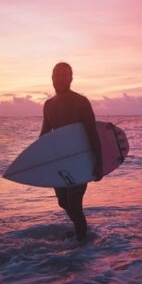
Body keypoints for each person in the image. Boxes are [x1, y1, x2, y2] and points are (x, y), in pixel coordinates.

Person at [40, 62, 103, 241]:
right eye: (57, 75)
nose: (60, 78)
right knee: (63, 202)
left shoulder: (80, 102)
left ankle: (83, 246)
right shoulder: (48, 105)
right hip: (58, 161)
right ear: (52, 78)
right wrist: (36, 160)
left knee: (75, 205)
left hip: (79, 160)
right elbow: (45, 134)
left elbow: (92, 132)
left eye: (65, 75)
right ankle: (81, 231)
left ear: (71, 78)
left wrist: (98, 163)